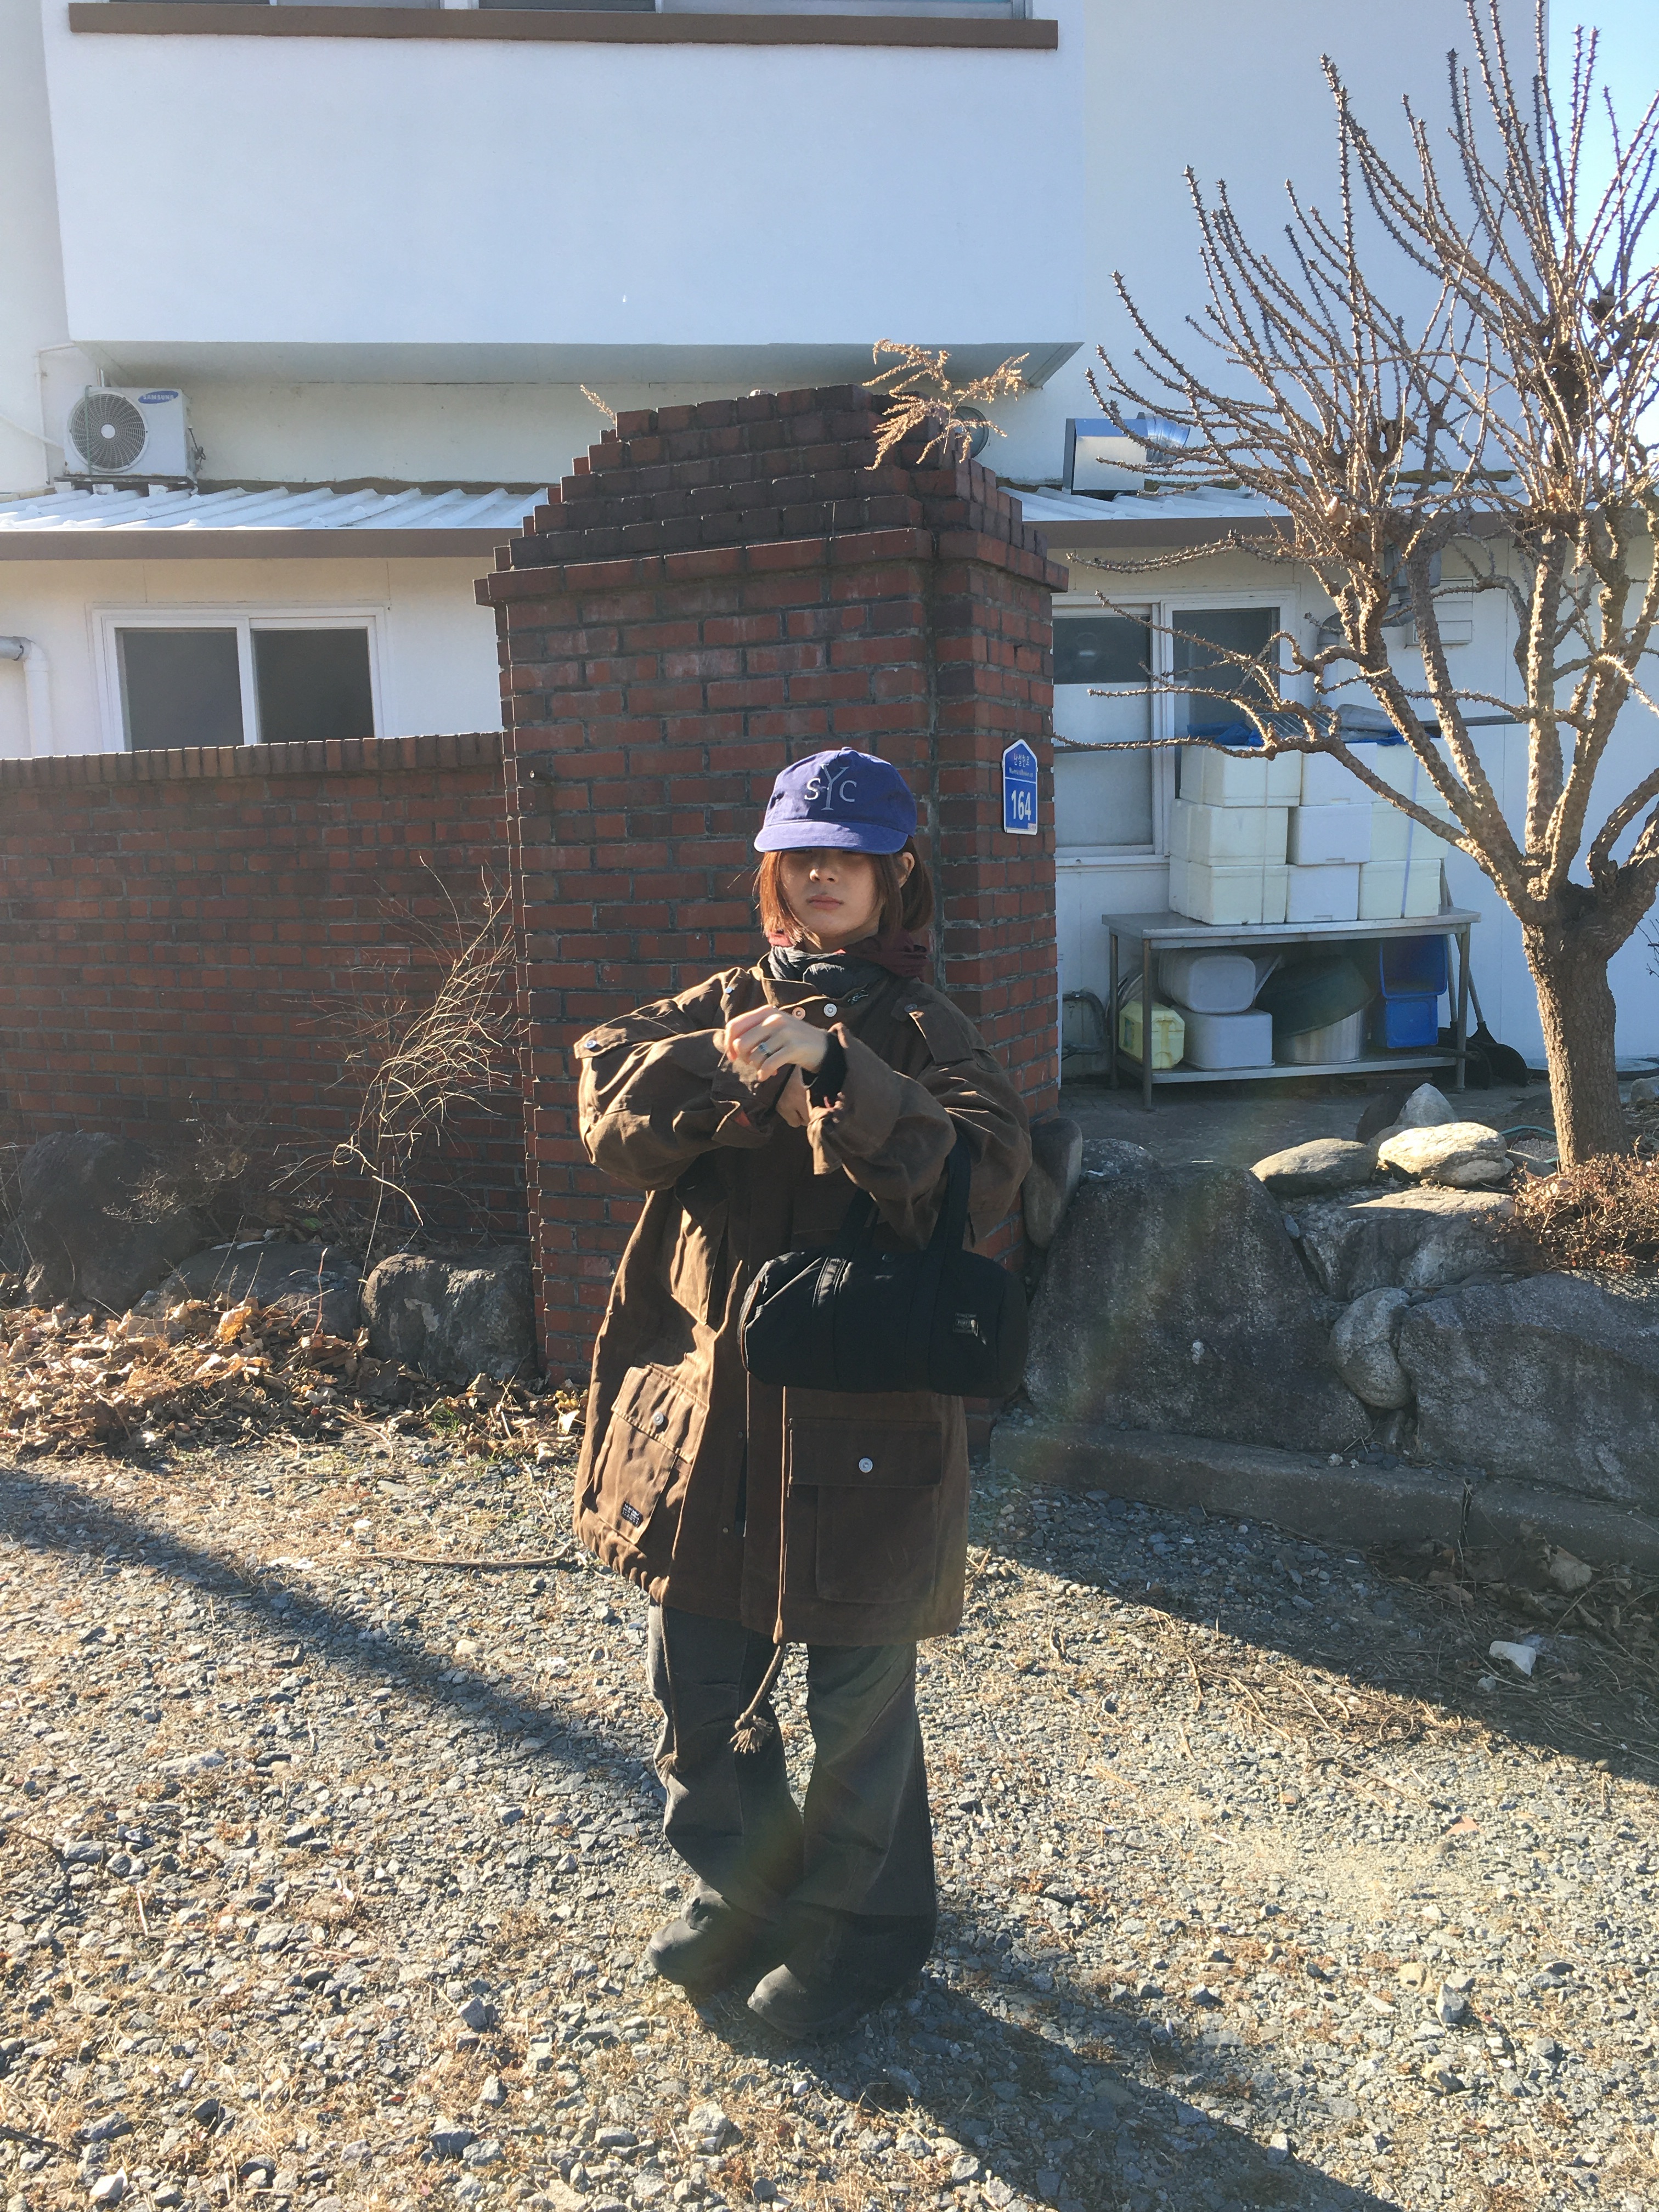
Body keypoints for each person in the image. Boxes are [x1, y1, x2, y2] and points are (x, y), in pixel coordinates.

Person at [573, 747, 1031, 2039]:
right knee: (699, 1678)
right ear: (774, 872)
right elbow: (607, 1099)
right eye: (803, 853)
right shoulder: (719, 1002)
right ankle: (750, 1886)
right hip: (707, 1425)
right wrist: (736, 1076)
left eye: (852, 855)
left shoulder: (930, 1029)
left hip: (867, 1435)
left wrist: (837, 1073)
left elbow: (980, 1176)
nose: (824, 874)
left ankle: (865, 1934)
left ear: (896, 878)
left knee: (857, 1704)